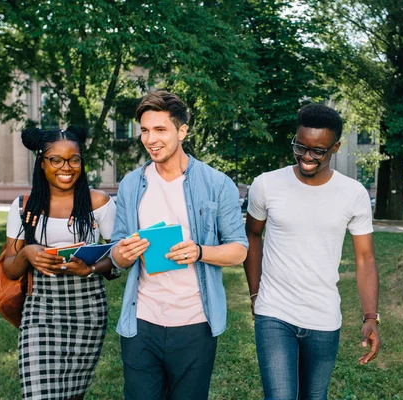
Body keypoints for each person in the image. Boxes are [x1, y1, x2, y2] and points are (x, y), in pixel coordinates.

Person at [109, 91, 248, 400]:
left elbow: (239, 249)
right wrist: (123, 253)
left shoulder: (216, 183)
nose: (150, 139)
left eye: (160, 130)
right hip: (142, 322)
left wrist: (199, 251)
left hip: (195, 324)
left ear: (182, 131)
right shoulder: (132, 184)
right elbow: (116, 251)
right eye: (145, 130)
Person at [244, 103, 381, 399]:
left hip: (323, 317)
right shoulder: (266, 185)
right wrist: (255, 294)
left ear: (335, 147)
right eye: (300, 146)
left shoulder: (353, 193)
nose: (306, 156)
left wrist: (371, 315)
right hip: (274, 312)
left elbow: (364, 257)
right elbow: (253, 235)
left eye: (317, 150)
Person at [3, 126, 118, 400]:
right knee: (38, 394)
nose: (66, 167)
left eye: (74, 159)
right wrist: (26, 253)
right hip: (41, 310)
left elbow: (119, 259)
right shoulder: (23, 207)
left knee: (71, 394)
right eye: (56, 160)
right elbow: (9, 268)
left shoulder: (98, 202)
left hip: (87, 310)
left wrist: (91, 267)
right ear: (42, 163)